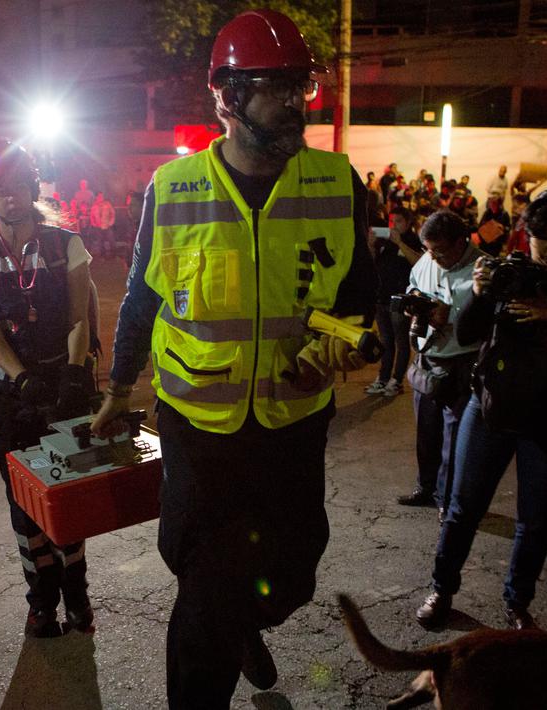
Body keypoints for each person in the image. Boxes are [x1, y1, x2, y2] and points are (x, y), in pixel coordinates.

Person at [91, 9, 376, 707]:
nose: (293, 102)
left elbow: (361, 291)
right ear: (226, 97)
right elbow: (140, 299)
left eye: (298, 86)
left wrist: (334, 341)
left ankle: (246, 619)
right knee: (206, 584)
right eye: (274, 86)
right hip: (199, 425)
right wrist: (118, 385)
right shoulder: (173, 189)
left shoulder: (337, 183)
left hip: (293, 418)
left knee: (292, 574)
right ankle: (221, 630)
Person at [415, 190, 547, 631]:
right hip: (490, 408)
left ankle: (517, 603)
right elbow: (466, 332)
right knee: (463, 507)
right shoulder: (503, 272)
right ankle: (441, 590)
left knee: (535, 521)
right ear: (528, 233)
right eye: (546, 237)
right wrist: (482, 295)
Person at [0, 143, 97, 638]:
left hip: (65, 386)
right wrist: (21, 378)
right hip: (12, 397)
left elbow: (79, 317)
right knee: (24, 507)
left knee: (66, 496)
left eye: (17, 187)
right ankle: (41, 603)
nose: (10, 198)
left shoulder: (67, 245)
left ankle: (77, 594)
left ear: (32, 189)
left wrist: (77, 372)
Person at [397, 211, 483, 514]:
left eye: (441, 251)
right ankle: (426, 486)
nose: (434, 259)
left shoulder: (483, 270)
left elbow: (490, 320)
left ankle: (448, 500)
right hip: (428, 359)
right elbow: (412, 285)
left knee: (454, 437)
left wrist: (453, 315)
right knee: (426, 432)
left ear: (463, 241)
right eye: (429, 251)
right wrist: (414, 302)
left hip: (463, 364)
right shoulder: (427, 260)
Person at [367, 206, 420, 397]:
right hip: (381, 297)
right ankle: (383, 378)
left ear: (408, 223)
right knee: (386, 340)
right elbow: (373, 264)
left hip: (400, 299)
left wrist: (400, 243)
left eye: (398, 221)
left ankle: (396, 381)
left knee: (401, 340)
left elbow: (419, 263)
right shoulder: (384, 242)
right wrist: (372, 246)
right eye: (391, 221)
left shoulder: (413, 240)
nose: (393, 225)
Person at [89, 191, 116, 258]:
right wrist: (94, 224)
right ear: (97, 197)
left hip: (107, 226)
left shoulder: (107, 204)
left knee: (111, 240)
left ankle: (113, 254)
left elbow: (113, 213)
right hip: (98, 227)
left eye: (102, 196)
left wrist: (111, 222)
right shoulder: (94, 206)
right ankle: (102, 255)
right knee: (100, 242)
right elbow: (91, 216)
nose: (102, 197)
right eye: (100, 196)